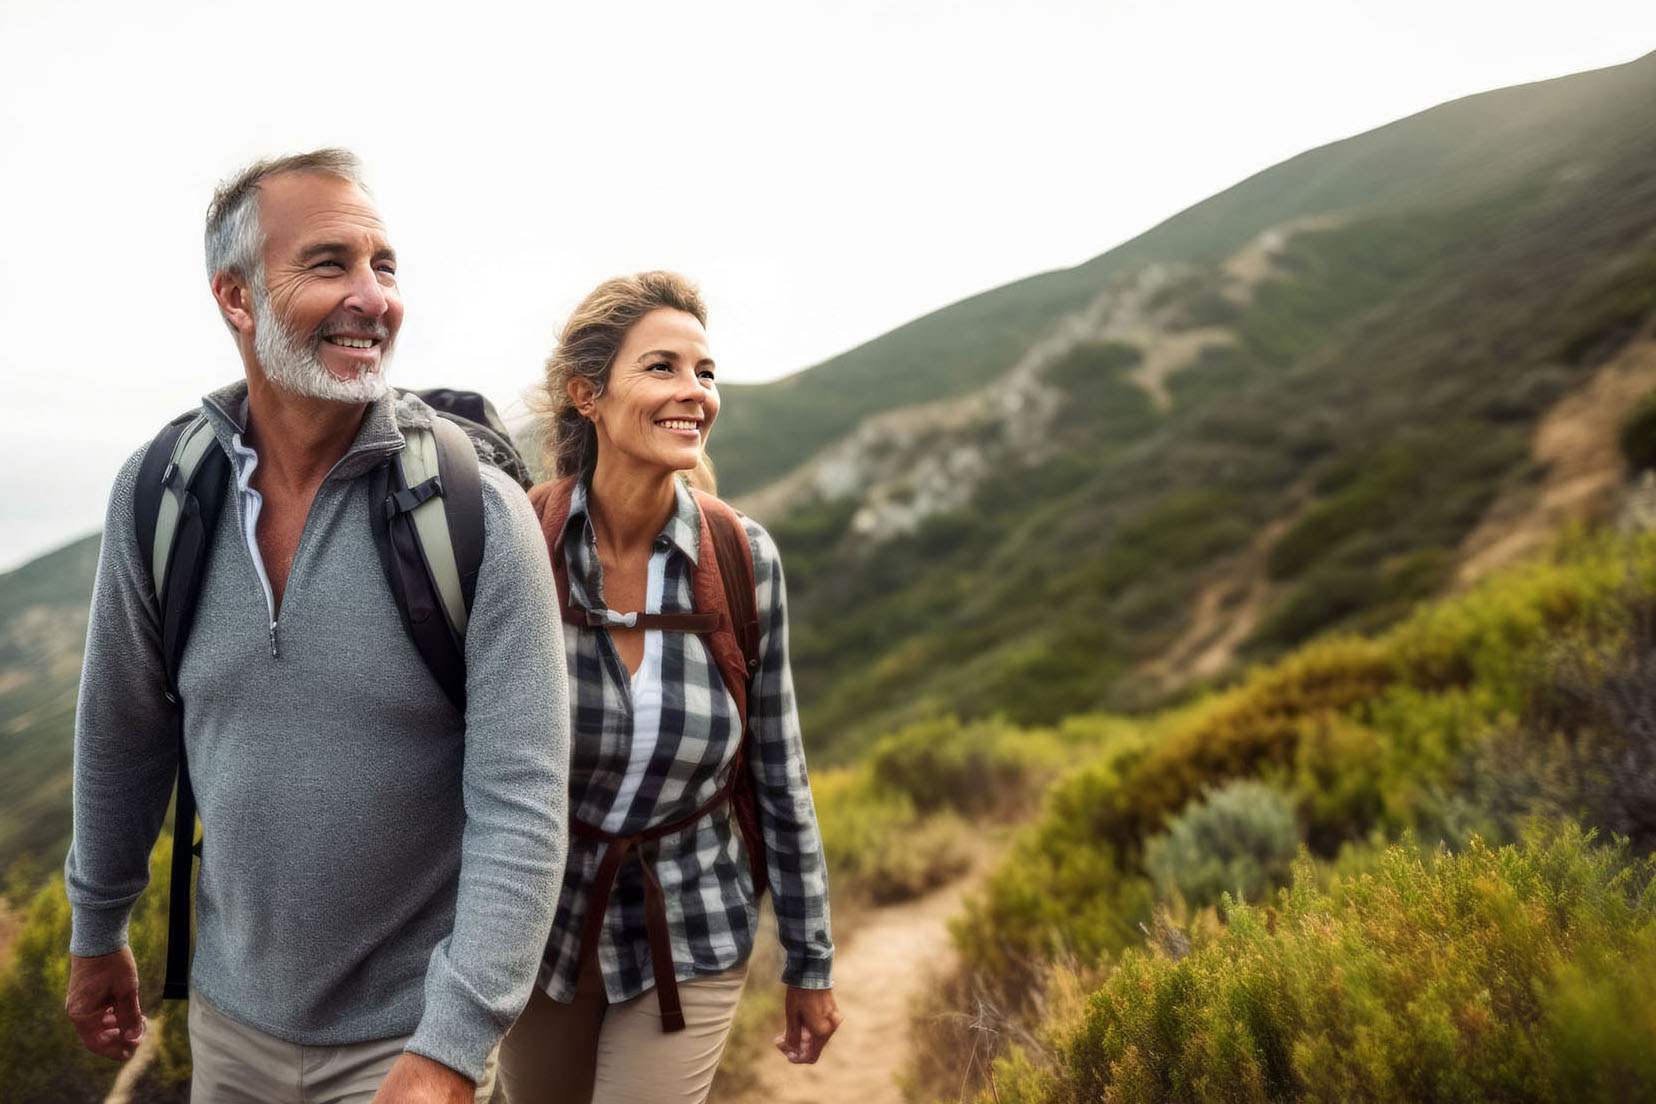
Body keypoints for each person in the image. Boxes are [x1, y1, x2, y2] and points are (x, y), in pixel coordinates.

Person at [62, 149, 570, 1104]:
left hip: (412, 1037)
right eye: (330, 263)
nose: (372, 297)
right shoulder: (160, 494)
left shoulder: (477, 515)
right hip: (228, 1027)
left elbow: (522, 804)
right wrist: (98, 930)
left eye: (385, 267)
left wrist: (455, 1043)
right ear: (238, 297)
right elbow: (122, 734)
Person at [498, 272, 842, 1103]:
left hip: (689, 924)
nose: (695, 393)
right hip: (535, 932)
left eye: (706, 372)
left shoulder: (741, 558)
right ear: (588, 394)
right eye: (663, 368)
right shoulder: (516, 545)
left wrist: (810, 958)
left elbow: (778, 769)